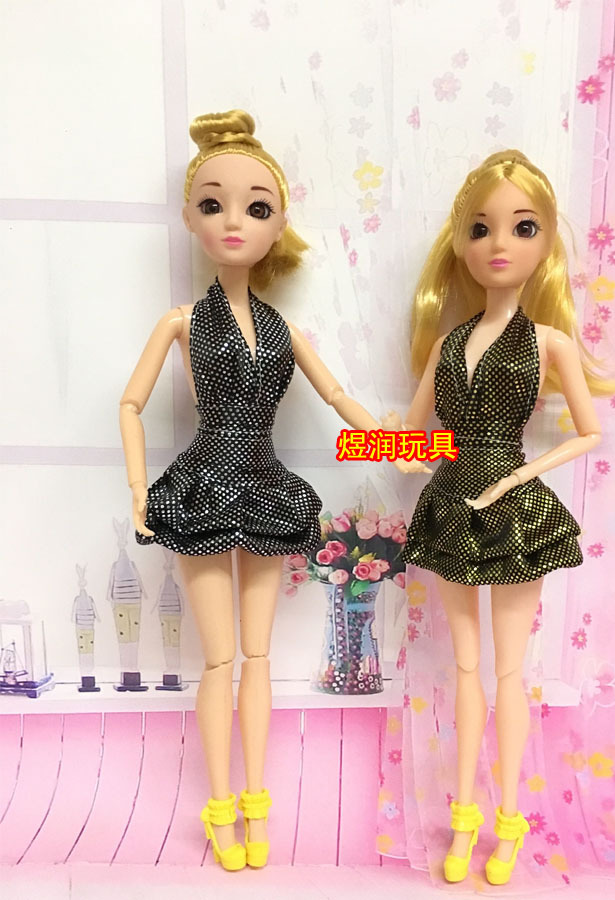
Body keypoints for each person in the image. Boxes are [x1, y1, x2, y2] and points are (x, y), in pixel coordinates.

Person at [119, 109, 425, 872]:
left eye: (256, 208)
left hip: (261, 484)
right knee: (218, 660)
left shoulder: (284, 330)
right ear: (190, 217)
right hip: (201, 485)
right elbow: (129, 404)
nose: (234, 222)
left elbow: (341, 401)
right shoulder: (182, 321)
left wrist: (401, 446)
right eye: (213, 203)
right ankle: (219, 805)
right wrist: (138, 488)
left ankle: (258, 801)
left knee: (256, 657)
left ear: (279, 224)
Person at [389, 150, 615, 885]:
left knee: (510, 671)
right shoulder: (448, 343)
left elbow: (588, 431)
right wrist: (389, 447)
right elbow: (413, 434)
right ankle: (464, 819)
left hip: (516, 510)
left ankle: (509, 821)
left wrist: (521, 473)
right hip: (454, 505)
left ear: (545, 243)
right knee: (465, 669)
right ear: (460, 243)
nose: (499, 244)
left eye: (522, 227)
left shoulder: (549, 343)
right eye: (481, 228)